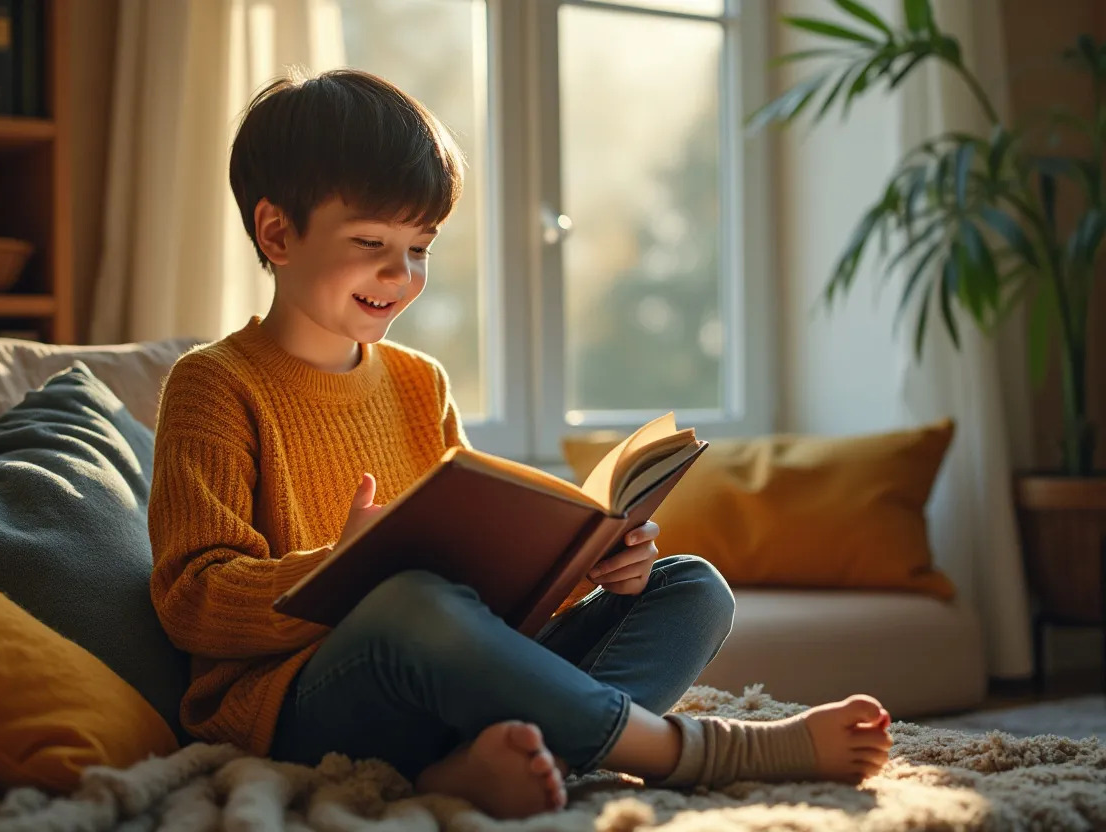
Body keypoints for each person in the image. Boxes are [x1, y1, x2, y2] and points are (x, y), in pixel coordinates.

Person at [148, 67, 892, 821]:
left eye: (420, 247)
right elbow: (190, 599)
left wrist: (588, 564)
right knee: (410, 603)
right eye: (371, 241)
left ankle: (473, 768)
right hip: (305, 704)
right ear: (277, 233)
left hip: (451, 675)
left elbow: (486, 590)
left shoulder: (419, 381)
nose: (399, 275)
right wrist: (339, 570)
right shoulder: (214, 385)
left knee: (690, 586)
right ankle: (695, 750)